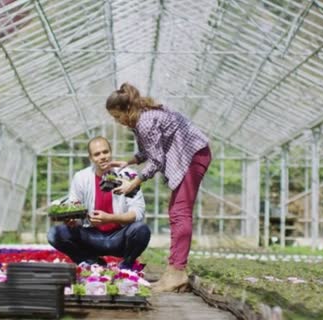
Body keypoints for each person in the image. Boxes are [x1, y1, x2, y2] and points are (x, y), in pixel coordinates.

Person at [105, 83, 211, 292]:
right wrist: (129, 162)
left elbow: (156, 160)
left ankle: (177, 272)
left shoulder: (144, 121)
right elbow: (150, 150)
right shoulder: (141, 118)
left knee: (180, 212)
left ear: (127, 109)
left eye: (117, 116)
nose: (117, 122)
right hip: (191, 156)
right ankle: (174, 271)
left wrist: (133, 183)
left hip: (192, 156)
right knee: (176, 212)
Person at [47, 136, 151, 270]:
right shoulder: (81, 177)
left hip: (119, 237)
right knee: (54, 233)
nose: (102, 157)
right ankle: (90, 260)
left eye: (105, 152)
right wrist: (71, 219)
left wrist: (110, 218)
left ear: (110, 152)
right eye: (97, 154)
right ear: (91, 158)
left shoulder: (128, 176)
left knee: (141, 230)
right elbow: (74, 205)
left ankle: (127, 263)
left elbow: (138, 213)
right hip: (91, 236)